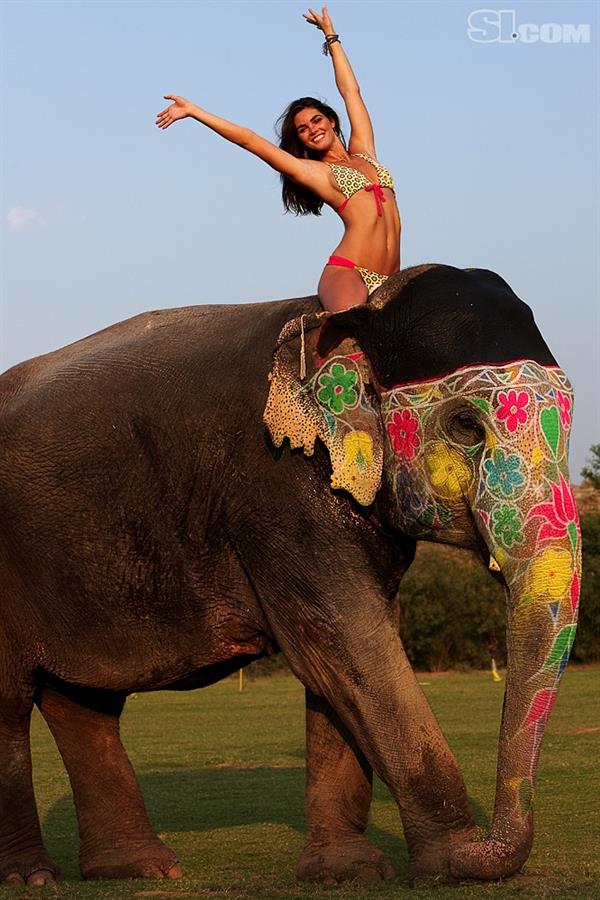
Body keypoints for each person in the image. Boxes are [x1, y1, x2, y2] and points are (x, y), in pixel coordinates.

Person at [155, 6, 400, 313]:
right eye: (302, 129)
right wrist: (195, 111)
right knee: (350, 330)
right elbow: (249, 139)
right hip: (349, 272)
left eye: (316, 120)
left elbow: (352, 92)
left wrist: (331, 38)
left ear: (331, 121)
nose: (312, 129)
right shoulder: (317, 173)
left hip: (391, 276)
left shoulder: (365, 150)